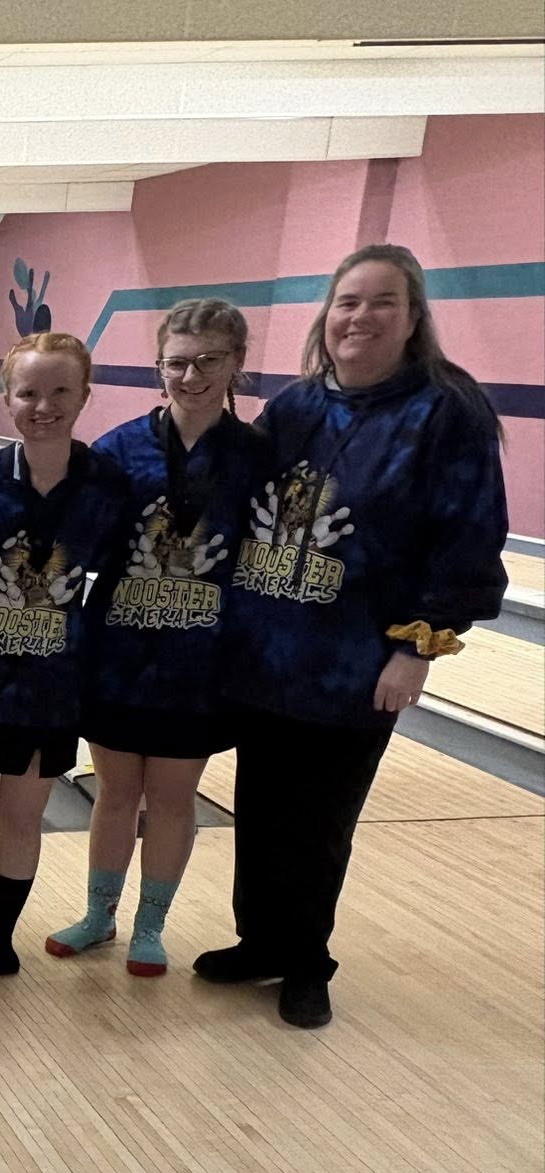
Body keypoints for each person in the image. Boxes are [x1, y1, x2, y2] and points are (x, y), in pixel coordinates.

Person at [199, 243, 508, 1028]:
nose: (361, 317)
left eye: (382, 303)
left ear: (413, 319)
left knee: (320, 817)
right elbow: (233, 505)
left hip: (357, 659)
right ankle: (260, 942)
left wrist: (419, 648)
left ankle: (307, 960)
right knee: (261, 807)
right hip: (268, 647)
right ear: (326, 315)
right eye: (348, 302)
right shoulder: (298, 406)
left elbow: (466, 537)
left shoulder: (447, 411)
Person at [46, 299, 263, 978]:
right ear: (157, 367)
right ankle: (99, 917)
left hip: (199, 663)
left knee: (172, 796)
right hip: (118, 656)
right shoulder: (119, 449)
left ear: (237, 367)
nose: (191, 375)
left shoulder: (257, 457)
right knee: (114, 792)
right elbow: (78, 546)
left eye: (209, 361)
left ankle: (150, 926)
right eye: (177, 362)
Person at [0, 332, 126, 977]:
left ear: (84, 396)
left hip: (52, 680)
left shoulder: (105, 483)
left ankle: (0, 936)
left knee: (23, 815)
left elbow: (120, 567)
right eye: (29, 392)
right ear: (7, 399)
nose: (44, 405)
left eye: (60, 391)